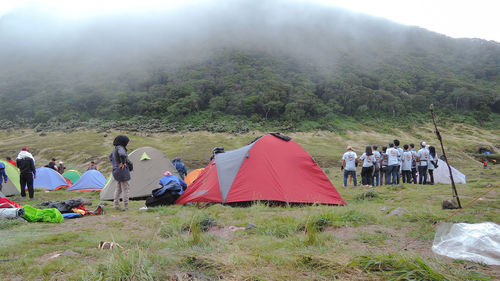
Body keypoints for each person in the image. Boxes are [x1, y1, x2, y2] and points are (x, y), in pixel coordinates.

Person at [109, 135, 132, 211]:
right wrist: (123, 162)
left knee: (118, 189)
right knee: (125, 189)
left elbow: (110, 158)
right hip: (122, 171)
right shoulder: (120, 148)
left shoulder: (114, 149)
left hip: (116, 171)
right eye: (127, 142)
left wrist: (116, 165)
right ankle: (126, 206)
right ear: (123, 142)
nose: (128, 144)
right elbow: (122, 154)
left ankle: (116, 205)